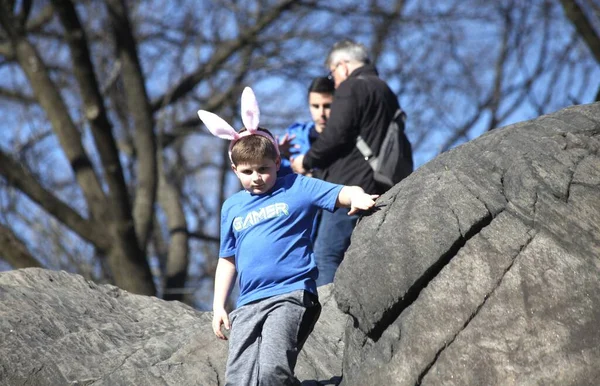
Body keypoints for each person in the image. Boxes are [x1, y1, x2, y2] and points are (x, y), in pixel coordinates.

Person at [198, 87, 378, 386]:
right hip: (247, 303)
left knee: (272, 372)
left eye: (264, 169)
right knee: (239, 379)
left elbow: (339, 192)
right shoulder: (232, 207)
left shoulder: (295, 187)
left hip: (291, 295)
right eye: (247, 171)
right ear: (234, 169)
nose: (256, 176)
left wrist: (357, 196)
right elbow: (227, 259)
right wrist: (218, 305)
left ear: (277, 160)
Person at [291, 39, 413, 286]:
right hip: (382, 183)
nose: (333, 80)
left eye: (332, 72)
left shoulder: (350, 88)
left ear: (343, 66)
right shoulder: (385, 90)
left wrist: (307, 160)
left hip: (349, 185)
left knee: (326, 254)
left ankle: (327, 322)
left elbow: (335, 135)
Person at [278, 76, 335, 177]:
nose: (321, 113)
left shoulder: (348, 137)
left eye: (327, 106)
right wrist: (277, 156)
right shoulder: (294, 138)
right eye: (315, 106)